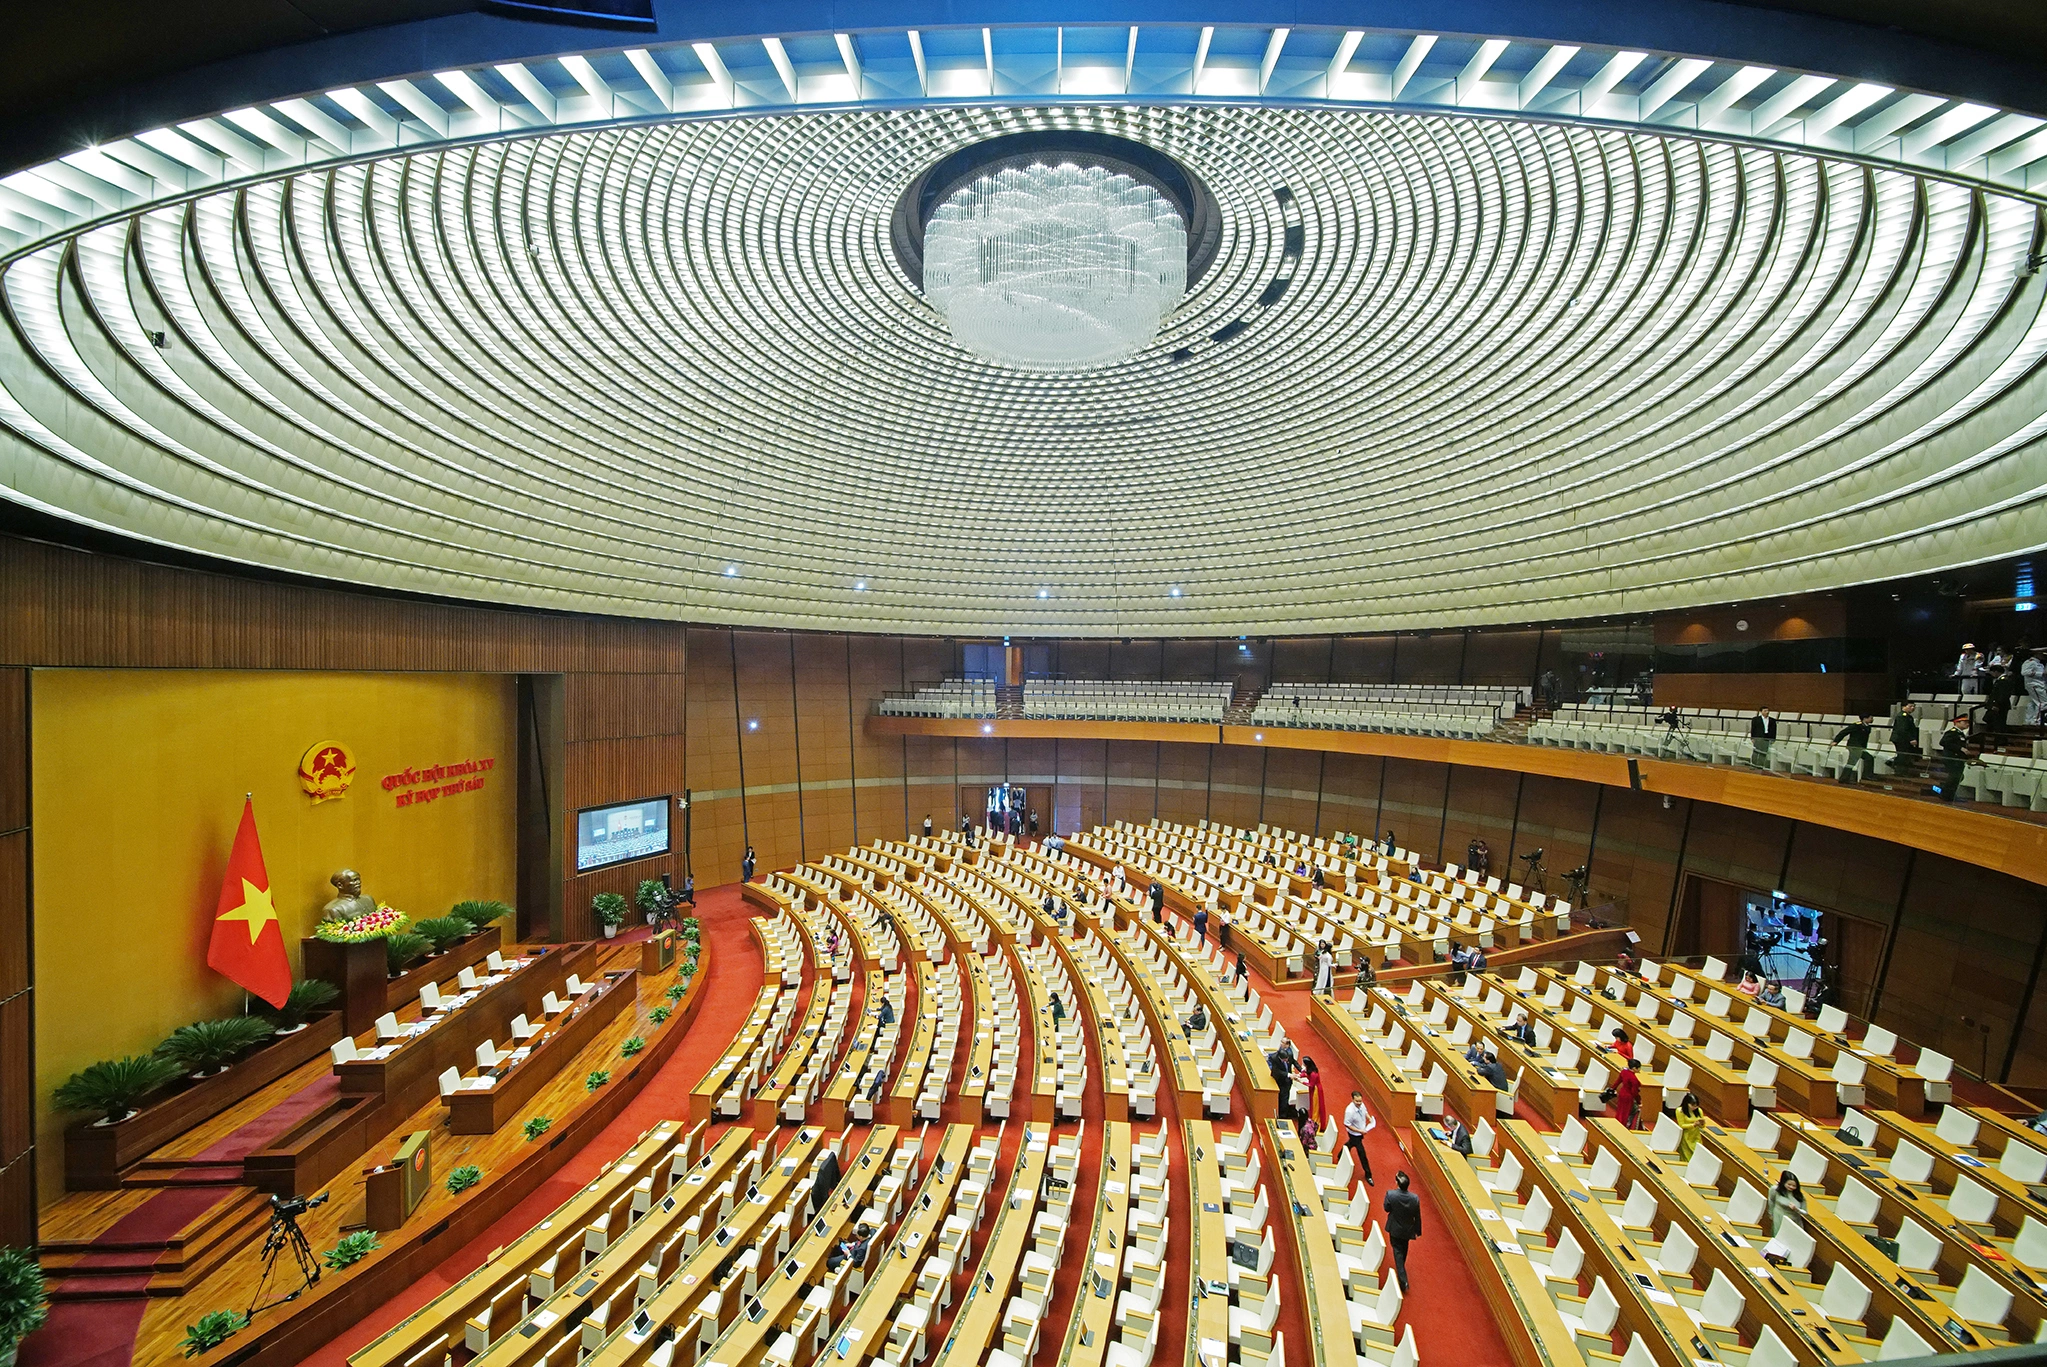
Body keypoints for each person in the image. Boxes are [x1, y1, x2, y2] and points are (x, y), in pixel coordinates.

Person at [1383, 1172, 1422, 1292]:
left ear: (1397, 1183)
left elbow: (1386, 1208)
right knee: (1403, 1250)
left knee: (1398, 1252)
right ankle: (1401, 1271)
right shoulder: (1414, 1198)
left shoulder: (1391, 1194)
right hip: (1407, 1230)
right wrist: (1418, 1230)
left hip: (1395, 1229)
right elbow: (1417, 1216)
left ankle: (1403, 1280)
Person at [1764, 1173, 1808, 1260]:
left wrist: (1796, 1209)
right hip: (1779, 1217)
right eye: (1789, 1184)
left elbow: (1805, 1212)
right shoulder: (1775, 1190)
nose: (1791, 1187)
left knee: (1793, 1242)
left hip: (1794, 1220)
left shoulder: (1799, 1196)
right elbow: (1771, 1202)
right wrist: (1771, 1214)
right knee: (1778, 1240)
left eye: (1794, 1185)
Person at [1341, 1090, 1377, 1185]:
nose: (1359, 1103)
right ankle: (1368, 1175)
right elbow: (1347, 1124)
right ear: (1352, 1099)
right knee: (1362, 1154)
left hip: (1361, 1132)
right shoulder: (1349, 1111)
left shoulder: (1362, 1105)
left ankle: (1341, 1153)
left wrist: (1369, 1118)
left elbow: (1365, 1112)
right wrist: (1360, 1131)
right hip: (1354, 1134)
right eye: (1357, 1101)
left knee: (1350, 1144)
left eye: (1360, 1101)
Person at [1831, 714, 1876, 784]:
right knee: (1854, 762)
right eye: (1871, 718)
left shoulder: (1867, 727)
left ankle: (1866, 775)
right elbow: (1844, 732)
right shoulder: (1856, 726)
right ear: (1865, 718)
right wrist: (1836, 741)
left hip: (1860, 748)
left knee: (1867, 759)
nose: (1872, 719)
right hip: (1854, 747)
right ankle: (1845, 778)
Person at [1936, 715, 1971, 800]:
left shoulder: (1959, 733)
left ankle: (1949, 794)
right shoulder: (1952, 732)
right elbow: (1943, 742)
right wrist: (1960, 748)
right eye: (1965, 722)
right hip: (1952, 758)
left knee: (1957, 776)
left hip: (1958, 759)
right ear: (1957, 722)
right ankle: (1946, 795)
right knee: (1954, 776)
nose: (1967, 724)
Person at [1890, 702, 1922, 776]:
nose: (1913, 708)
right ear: (1904, 707)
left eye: (1914, 706)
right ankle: (1900, 772)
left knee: (1905, 756)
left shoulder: (1908, 716)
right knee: (1903, 756)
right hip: (1901, 739)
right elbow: (1903, 730)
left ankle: (1901, 771)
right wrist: (1910, 739)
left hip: (1904, 739)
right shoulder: (1902, 716)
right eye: (1910, 706)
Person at [1612, 1057, 1642, 1127]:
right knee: (1625, 1113)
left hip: (1622, 1093)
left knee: (1620, 1111)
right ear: (1634, 1068)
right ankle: (1621, 1126)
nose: (1639, 1069)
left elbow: (1617, 1082)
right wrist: (1639, 1102)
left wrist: (1612, 1089)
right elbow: (1635, 1092)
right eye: (1639, 1068)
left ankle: (1617, 1123)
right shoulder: (1633, 1079)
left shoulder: (1624, 1072)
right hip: (1628, 1097)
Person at [1675, 1094, 1706, 1161]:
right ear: (1687, 1103)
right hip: (1686, 1136)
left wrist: (1702, 1123)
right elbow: (1681, 1125)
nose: (1694, 1108)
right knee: (1687, 1156)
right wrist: (1693, 1125)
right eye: (1692, 1105)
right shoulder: (1680, 1111)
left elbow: (1702, 1126)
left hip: (1695, 1135)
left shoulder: (1699, 1110)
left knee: (1697, 1154)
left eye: (1696, 1106)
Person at [1301, 1055, 1327, 1127]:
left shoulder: (1313, 1074)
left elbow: (1311, 1084)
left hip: (1316, 1090)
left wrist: (1301, 1082)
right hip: (1313, 1089)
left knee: (1315, 1106)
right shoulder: (1310, 1070)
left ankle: (1315, 1122)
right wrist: (1299, 1075)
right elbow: (1306, 1074)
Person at [2025, 651, 2047, 725]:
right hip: (2034, 685)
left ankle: (2029, 720)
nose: (2044, 656)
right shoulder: (2030, 662)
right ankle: (2037, 721)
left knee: (2033, 703)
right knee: (2043, 703)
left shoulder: (2039, 664)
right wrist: (2041, 673)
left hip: (2039, 685)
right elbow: (2024, 672)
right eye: (2042, 654)